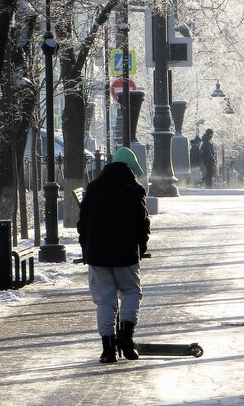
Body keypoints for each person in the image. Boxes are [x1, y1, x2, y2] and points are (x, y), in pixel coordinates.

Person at [78, 145, 151, 364]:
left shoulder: (93, 188)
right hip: (125, 254)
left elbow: (82, 224)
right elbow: (142, 224)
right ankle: (126, 337)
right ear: (130, 168)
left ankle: (108, 348)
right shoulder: (134, 190)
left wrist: (87, 248)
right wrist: (141, 247)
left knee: (104, 300)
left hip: (97, 256)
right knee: (130, 292)